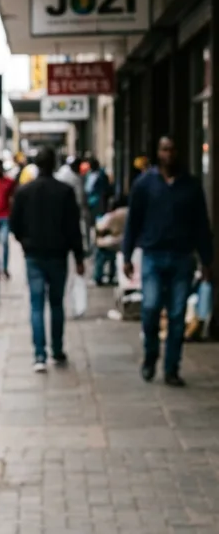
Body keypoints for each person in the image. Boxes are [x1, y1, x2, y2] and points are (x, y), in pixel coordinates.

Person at [122, 136, 213, 387]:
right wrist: (127, 254)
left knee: (176, 314)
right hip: (152, 255)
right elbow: (133, 221)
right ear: (158, 152)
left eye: (172, 149)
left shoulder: (191, 186)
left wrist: (207, 260)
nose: (169, 154)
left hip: (183, 257)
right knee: (150, 307)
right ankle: (151, 356)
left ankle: (172, 367)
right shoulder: (144, 184)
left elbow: (201, 225)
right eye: (164, 149)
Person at [10, 147, 85, 373]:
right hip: (57, 256)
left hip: (34, 255)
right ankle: (58, 350)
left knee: (36, 305)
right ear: (53, 164)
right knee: (56, 304)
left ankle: (39, 355)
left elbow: (14, 224)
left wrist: (25, 241)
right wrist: (79, 257)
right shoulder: (65, 191)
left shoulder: (24, 192)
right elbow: (74, 228)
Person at [94, 195, 127, 287]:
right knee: (113, 257)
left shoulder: (111, 215)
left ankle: (98, 277)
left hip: (113, 242)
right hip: (125, 243)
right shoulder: (130, 212)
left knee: (100, 253)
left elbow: (100, 227)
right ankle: (112, 275)